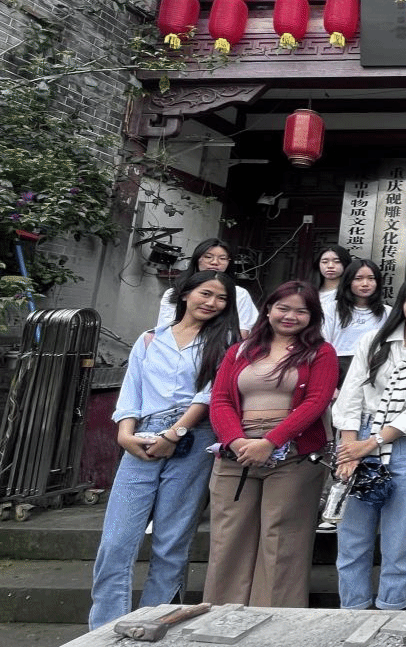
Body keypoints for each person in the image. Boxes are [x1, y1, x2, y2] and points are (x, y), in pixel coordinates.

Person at [88, 270, 239, 630]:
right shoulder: (149, 339)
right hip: (142, 434)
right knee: (116, 542)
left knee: (171, 542)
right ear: (185, 294)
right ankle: (105, 628)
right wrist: (125, 435)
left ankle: (156, 624)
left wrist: (175, 433)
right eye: (205, 293)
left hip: (194, 438)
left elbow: (209, 395)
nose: (212, 303)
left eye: (221, 298)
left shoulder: (225, 343)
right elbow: (131, 392)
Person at [204, 280, 338, 607]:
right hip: (237, 455)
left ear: (312, 316)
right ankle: (221, 618)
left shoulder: (321, 352)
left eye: (301, 311)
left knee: (283, 542)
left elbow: (316, 401)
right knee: (228, 539)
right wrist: (236, 441)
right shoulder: (240, 351)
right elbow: (220, 399)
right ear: (268, 310)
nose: (290, 316)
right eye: (283, 308)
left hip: (293, 457)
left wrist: (270, 441)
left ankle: (276, 622)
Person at [331, 275, 406, 610]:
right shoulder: (373, 341)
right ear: (401, 303)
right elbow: (351, 394)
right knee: (353, 538)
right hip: (359, 435)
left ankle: (391, 610)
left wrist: (368, 445)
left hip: (405, 445)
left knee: (399, 542)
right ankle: (352, 611)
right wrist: (349, 450)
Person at [157, 238, 258, 334]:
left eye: (222, 258)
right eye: (208, 257)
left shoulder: (239, 294)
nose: (215, 262)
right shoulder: (174, 292)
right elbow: (164, 328)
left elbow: (243, 332)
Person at [322, 258, 389, 381]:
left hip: (374, 369)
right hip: (338, 368)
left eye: (371, 278)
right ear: (348, 281)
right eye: (358, 278)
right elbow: (323, 343)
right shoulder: (331, 309)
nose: (365, 284)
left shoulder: (387, 312)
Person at [313, 245, 352, 314]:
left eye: (337, 261)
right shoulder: (310, 292)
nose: (330, 266)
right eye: (325, 262)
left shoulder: (351, 293)